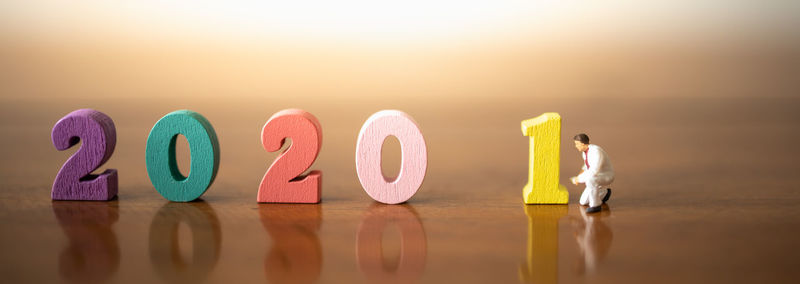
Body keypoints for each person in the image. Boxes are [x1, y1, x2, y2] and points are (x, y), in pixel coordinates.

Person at [570, 133, 614, 213]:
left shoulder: (596, 151)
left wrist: (579, 179)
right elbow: (586, 166)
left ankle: (595, 205)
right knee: (583, 202)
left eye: (577, 144)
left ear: (583, 144)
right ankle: (604, 193)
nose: (576, 146)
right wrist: (579, 176)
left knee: (590, 180)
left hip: (604, 175)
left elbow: (594, 170)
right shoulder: (584, 152)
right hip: (596, 176)